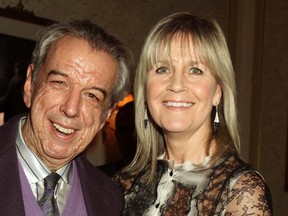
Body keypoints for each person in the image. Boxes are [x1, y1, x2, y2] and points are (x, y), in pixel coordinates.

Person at [113, 12, 273, 215]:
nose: (177, 85)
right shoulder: (120, 185)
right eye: (162, 69)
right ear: (144, 91)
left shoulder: (241, 191)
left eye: (195, 70)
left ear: (218, 92)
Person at [0, 19, 132, 215]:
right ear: (30, 85)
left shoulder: (110, 198)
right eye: (59, 83)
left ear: (105, 115)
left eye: (92, 96)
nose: (71, 109)